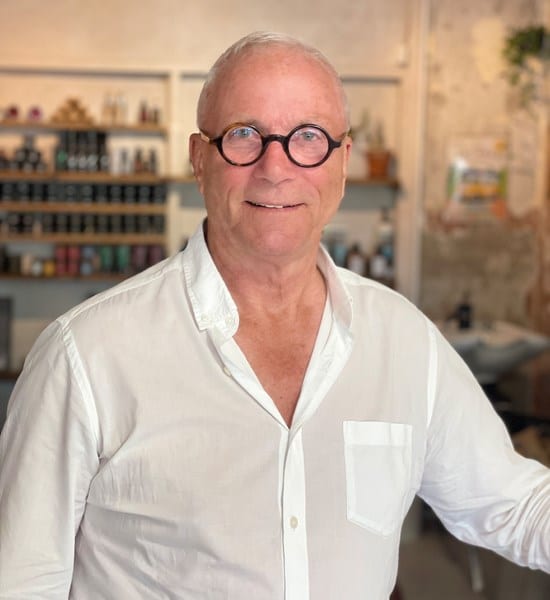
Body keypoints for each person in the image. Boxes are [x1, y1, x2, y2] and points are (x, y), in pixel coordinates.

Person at [0, 31, 549, 600]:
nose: (275, 167)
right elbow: (21, 582)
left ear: (343, 163)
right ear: (199, 159)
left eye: (308, 136)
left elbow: (514, 505)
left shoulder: (404, 340)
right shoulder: (84, 356)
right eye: (244, 134)